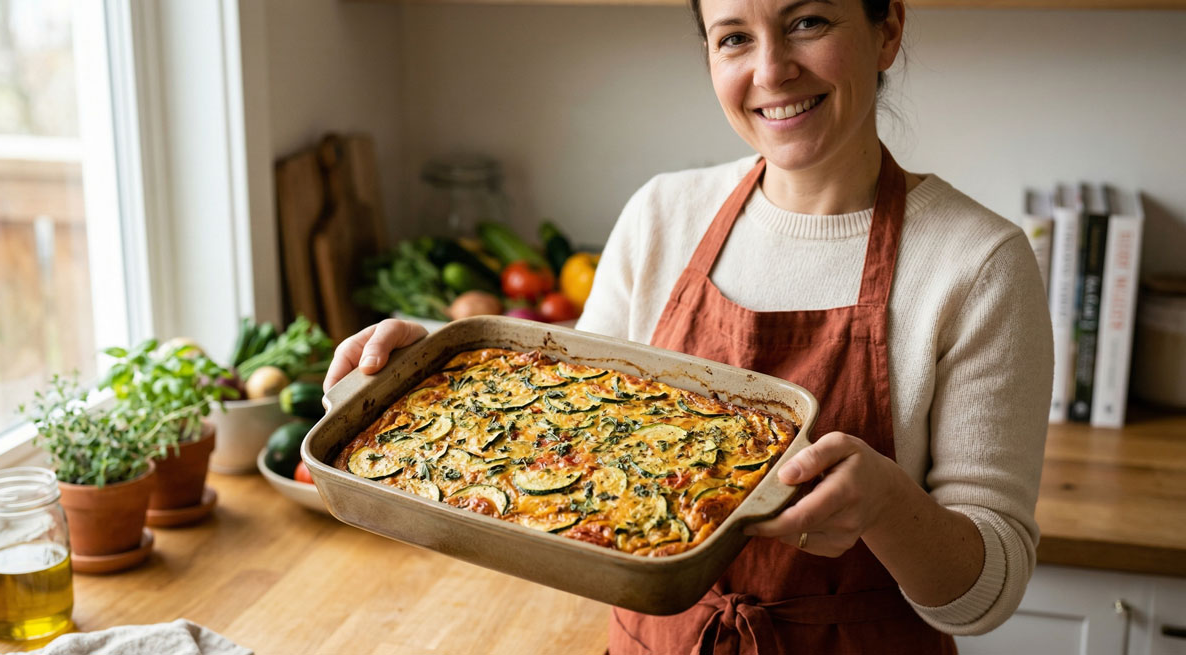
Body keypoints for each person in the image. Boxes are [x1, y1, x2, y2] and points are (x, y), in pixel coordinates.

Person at [324, 0, 1053, 651]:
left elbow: (990, 595)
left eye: (808, 22)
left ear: (887, 27)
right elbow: (558, 436)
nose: (772, 70)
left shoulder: (977, 262)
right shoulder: (661, 215)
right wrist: (402, 396)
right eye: (734, 37)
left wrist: (888, 505)